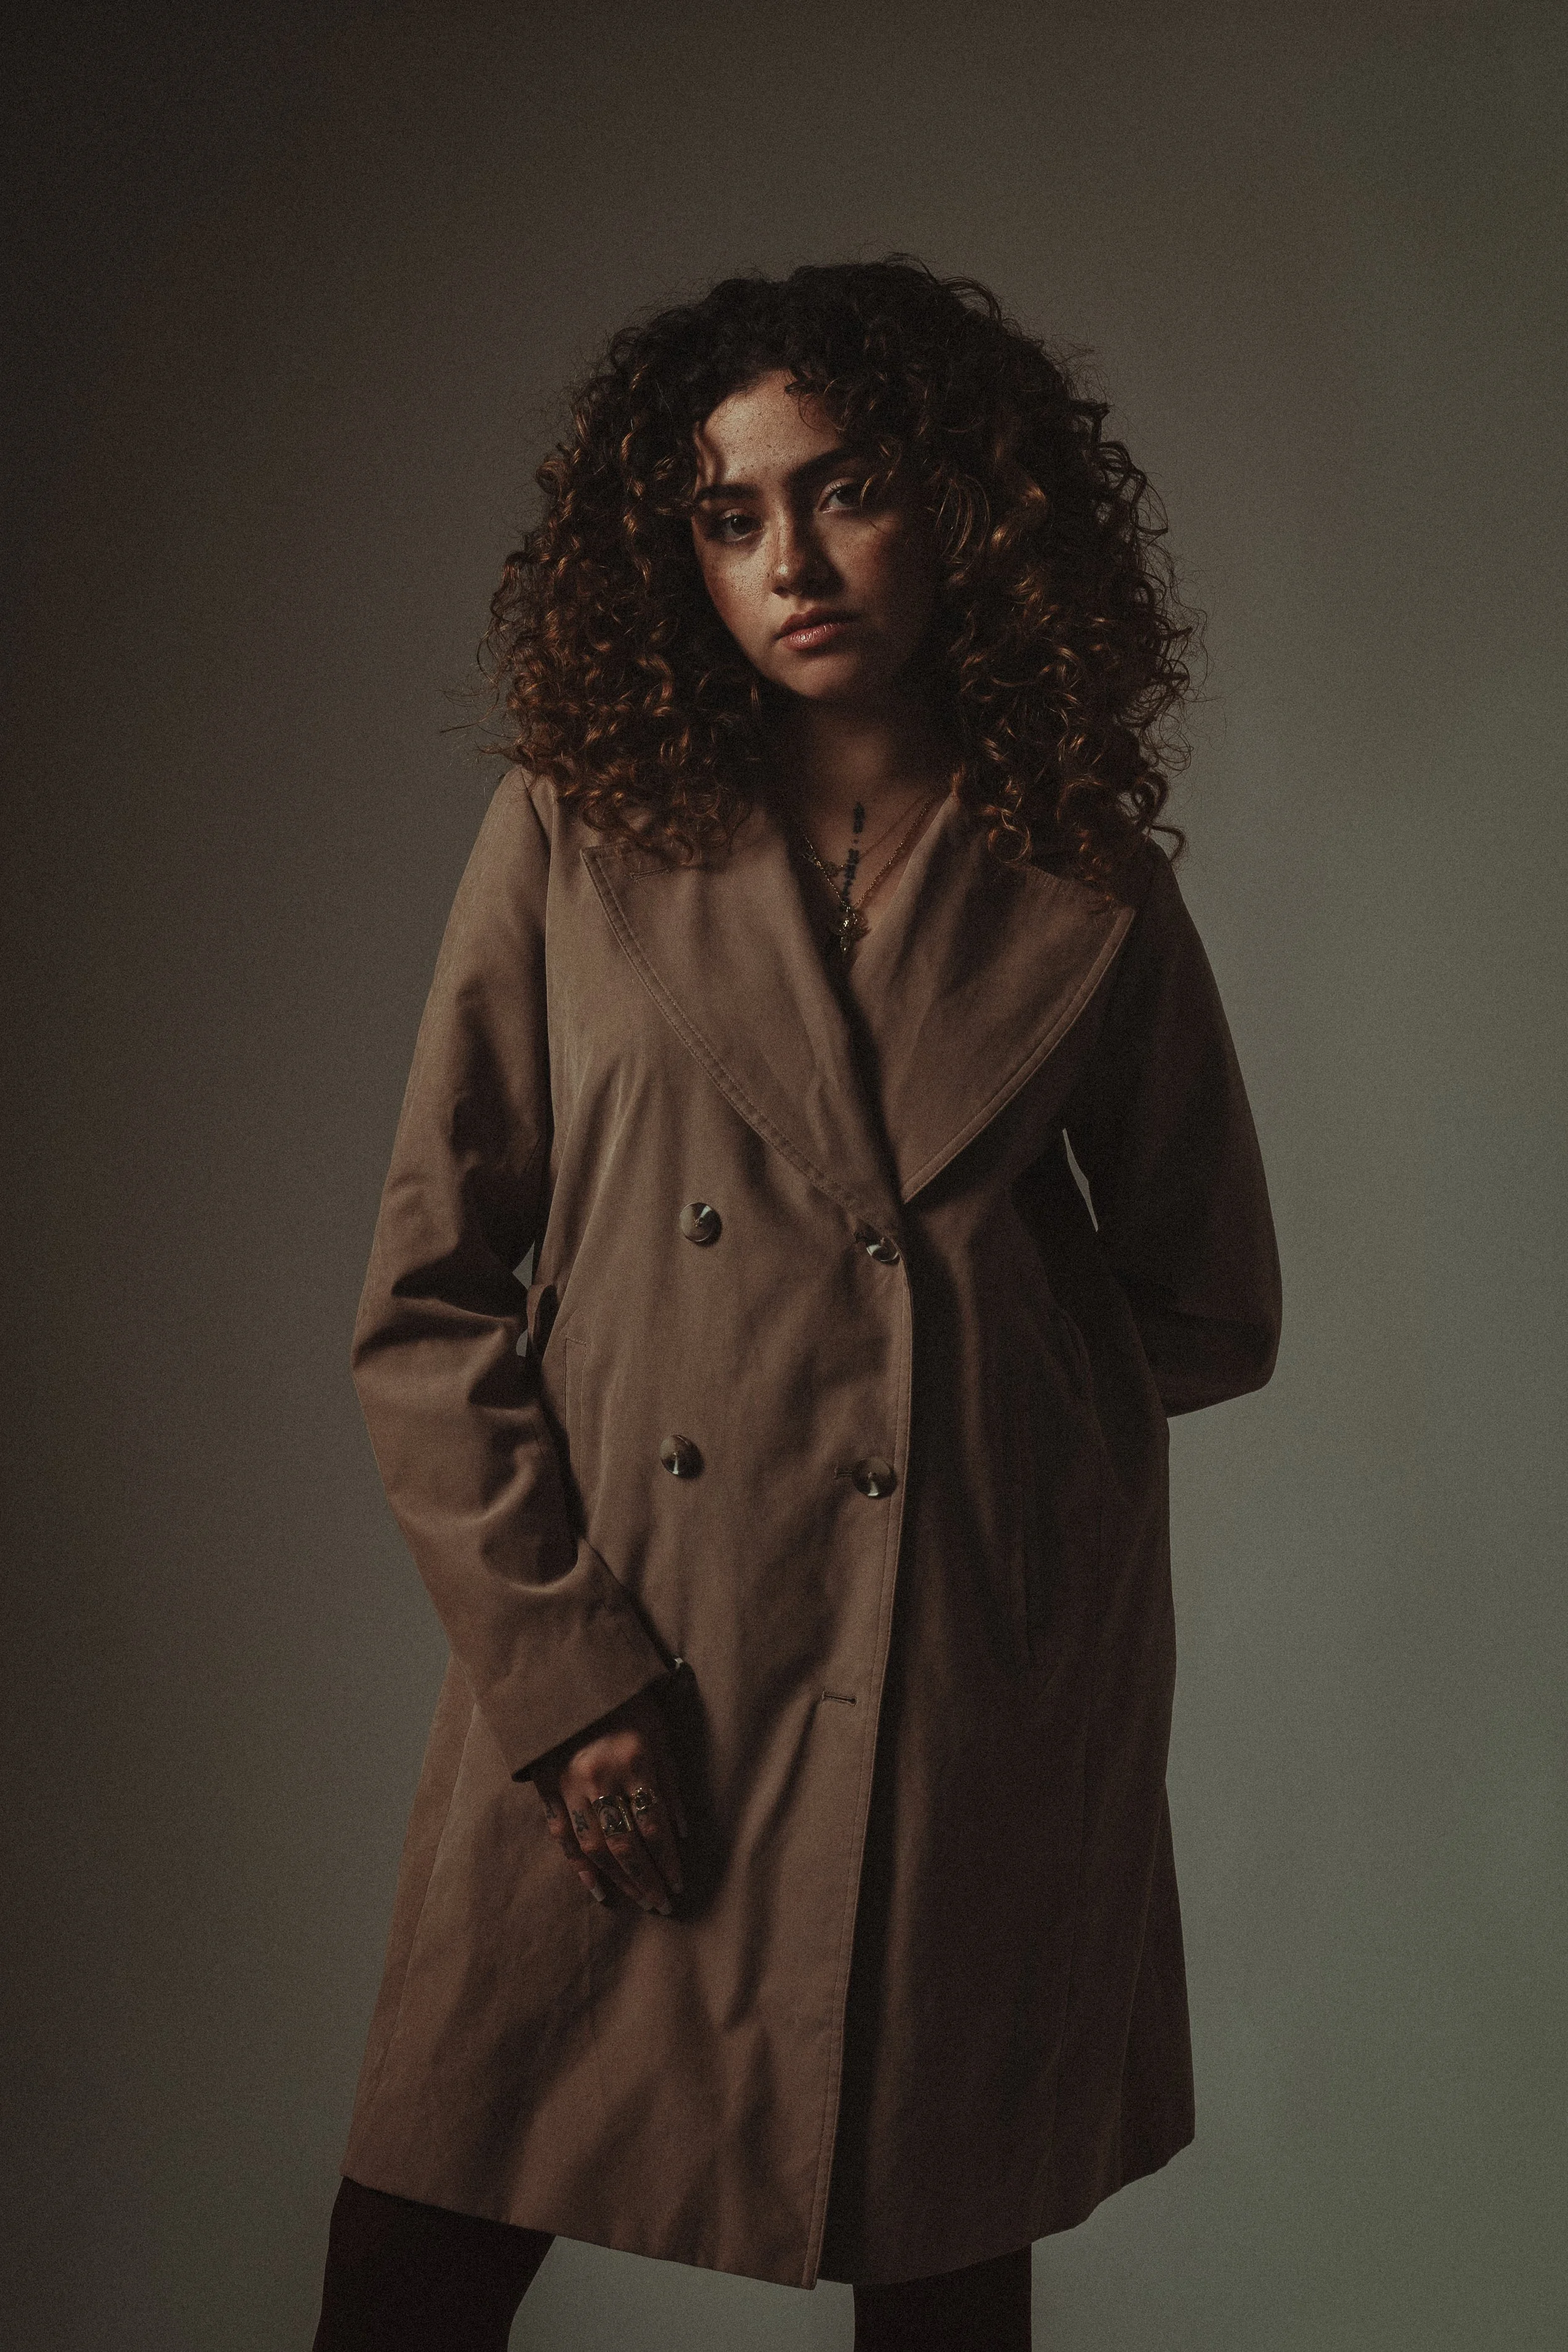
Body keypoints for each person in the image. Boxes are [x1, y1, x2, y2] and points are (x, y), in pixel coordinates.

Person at [312, 258, 1281, 2351]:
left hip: (952, 1668)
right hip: (625, 1636)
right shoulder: (574, 829)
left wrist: (969, 1430)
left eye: (837, 493)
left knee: (941, 2267)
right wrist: (562, 1684)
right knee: (413, 2258)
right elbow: (426, 1300)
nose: (787, 561)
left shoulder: (1084, 866)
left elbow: (1209, 1297)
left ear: (966, 505)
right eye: (727, 516)